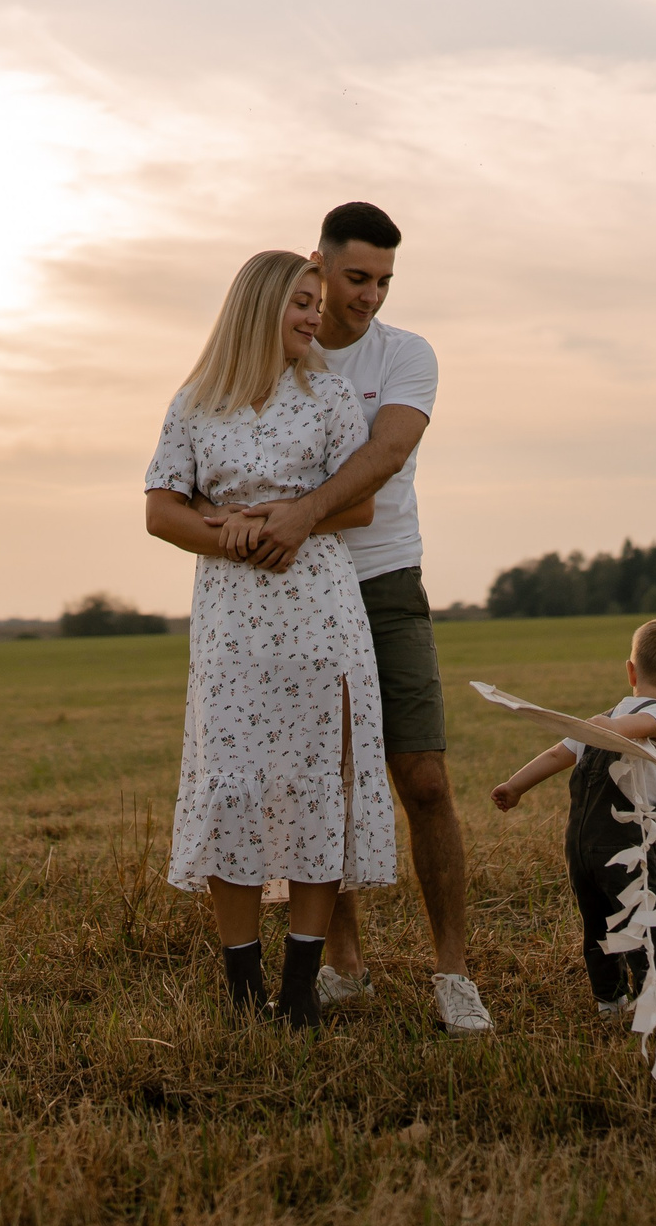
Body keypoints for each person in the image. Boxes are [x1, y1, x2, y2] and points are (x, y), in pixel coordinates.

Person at [208, 203, 493, 1037]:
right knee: (316, 782)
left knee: (424, 776)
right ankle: (345, 967)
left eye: (383, 282)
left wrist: (301, 512)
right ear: (317, 265)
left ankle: (453, 974)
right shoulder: (272, 357)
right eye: (356, 277)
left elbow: (388, 452)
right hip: (291, 593)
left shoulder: (406, 354)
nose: (368, 297)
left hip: (383, 580)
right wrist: (259, 531)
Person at [143, 250, 398, 1028]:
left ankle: (299, 988)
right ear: (258, 308)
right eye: (300, 302)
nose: (315, 315)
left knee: (318, 784)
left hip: (320, 615)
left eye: (317, 303)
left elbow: (359, 507)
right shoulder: (197, 401)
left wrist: (291, 517)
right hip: (232, 624)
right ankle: (242, 985)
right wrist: (234, 539)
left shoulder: (326, 396)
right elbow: (161, 509)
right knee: (234, 791)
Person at [488, 618, 656, 1013]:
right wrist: (515, 785)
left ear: (631, 671)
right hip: (628, 848)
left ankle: (609, 1001)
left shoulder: (612, 718)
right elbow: (632, 727)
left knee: (600, 925)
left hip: (580, 844)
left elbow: (562, 753)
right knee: (649, 923)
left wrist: (517, 784)